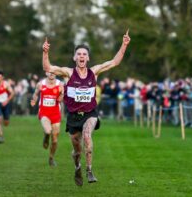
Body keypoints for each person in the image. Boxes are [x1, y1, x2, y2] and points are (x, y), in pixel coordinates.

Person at [42, 30, 131, 186]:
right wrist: (45, 52)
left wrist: (124, 45)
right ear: (74, 57)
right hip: (73, 116)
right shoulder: (68, 73)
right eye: (79, 54)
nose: (81, 56)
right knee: (77, 150)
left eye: (84, 54)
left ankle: (89, 171)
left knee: (87, 136)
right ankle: (78, 167)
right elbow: (48, 67)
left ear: (88, 58)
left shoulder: (94, 72)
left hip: (90, 113)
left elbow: (114, 62)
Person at [30, 72, 64, 166]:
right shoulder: (41, 84)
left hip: (56, 114)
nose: (52, 73)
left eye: (54, 72)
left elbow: (63, 95)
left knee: (55, 140)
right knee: (48, 131)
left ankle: (51, 158)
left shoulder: (60, 84)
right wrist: (34, 100)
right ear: (46, 73)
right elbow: (36, 94)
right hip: (44, 112)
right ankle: (46, 137)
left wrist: (61, 97)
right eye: (50, 72)